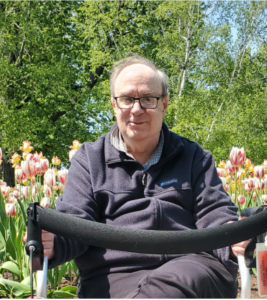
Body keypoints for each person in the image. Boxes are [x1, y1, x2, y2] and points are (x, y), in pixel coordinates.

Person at [41, 56, 249, 298]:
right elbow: (74, 225)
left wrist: (234, 237)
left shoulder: (195, 157)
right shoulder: (89, 159)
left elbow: (216, 217)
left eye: (148, 99)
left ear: (164, 104)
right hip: (113, 277)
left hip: (192, 268)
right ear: (114, 105)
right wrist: (51, 243)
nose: (136, 109)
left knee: (176, 283)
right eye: (127, 99)